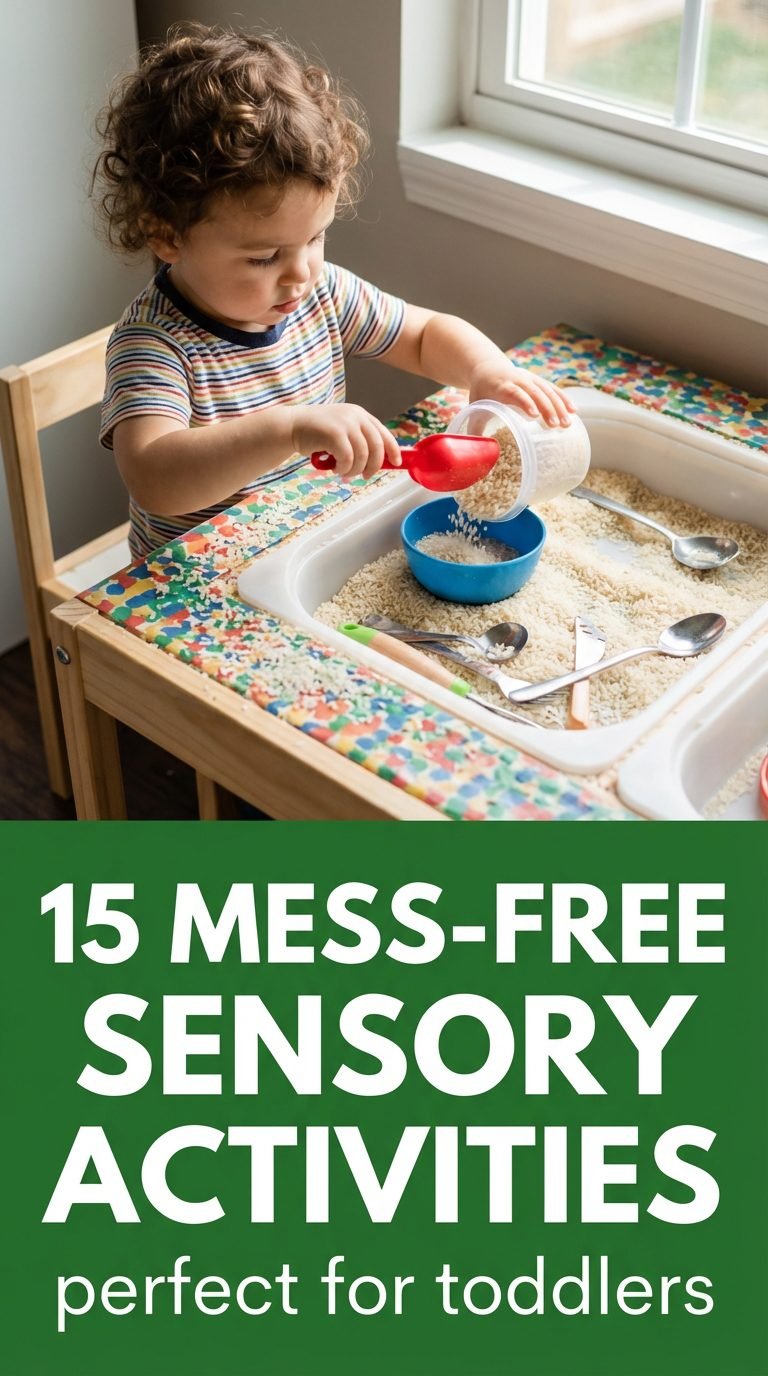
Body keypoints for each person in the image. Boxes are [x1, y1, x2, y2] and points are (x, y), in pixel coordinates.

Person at [94, 22, 574, 561]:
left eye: (315, 237)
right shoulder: (153, 346)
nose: (300, 272)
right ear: (167, 236)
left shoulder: (319, 292)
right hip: (199, 579)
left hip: (305, 541)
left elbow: (421, 335)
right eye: (263, 257)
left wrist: (485, 370)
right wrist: (290, 428)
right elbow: (157, 478)